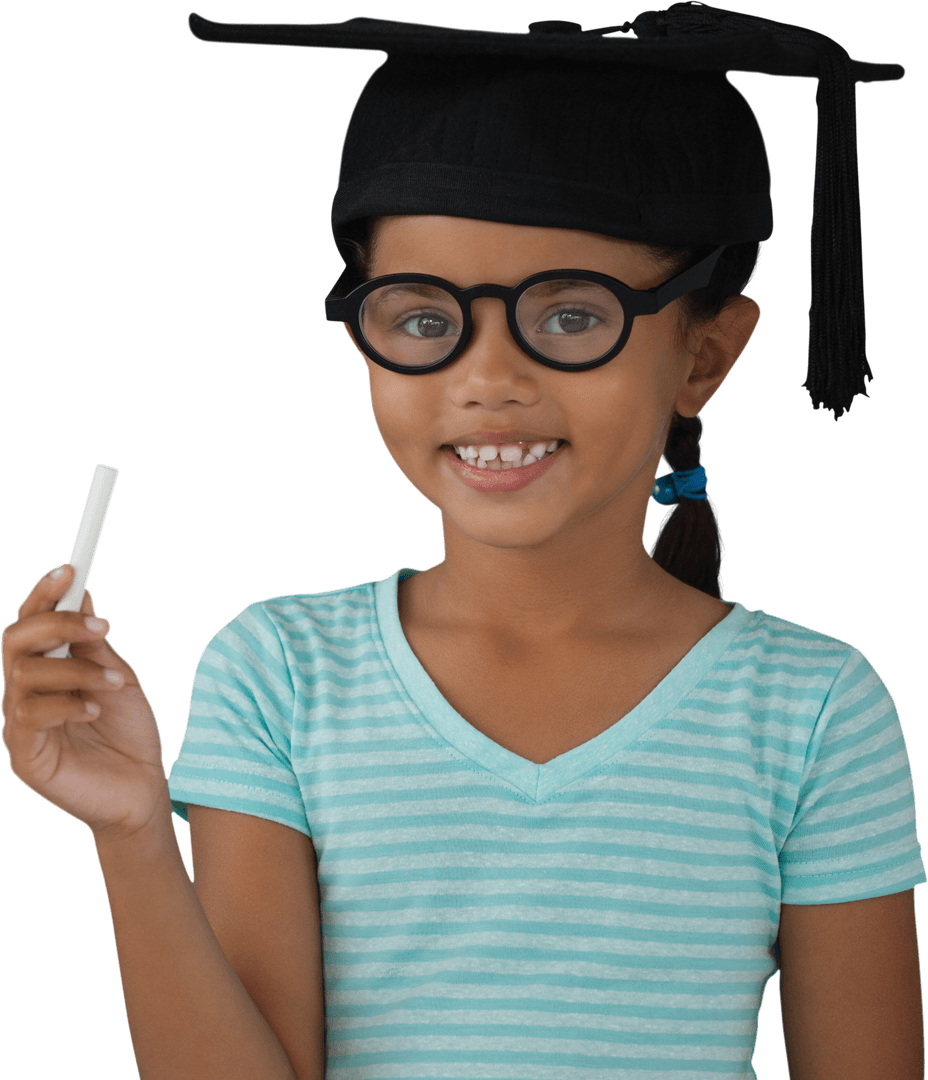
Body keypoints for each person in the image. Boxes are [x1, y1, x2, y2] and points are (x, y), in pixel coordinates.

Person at [2, 5, 924, 1079]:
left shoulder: (810, 709)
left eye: (573, 315)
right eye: (423, 318)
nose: (486, 379)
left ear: (706, 355)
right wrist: (131, 834)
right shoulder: (282, 674)